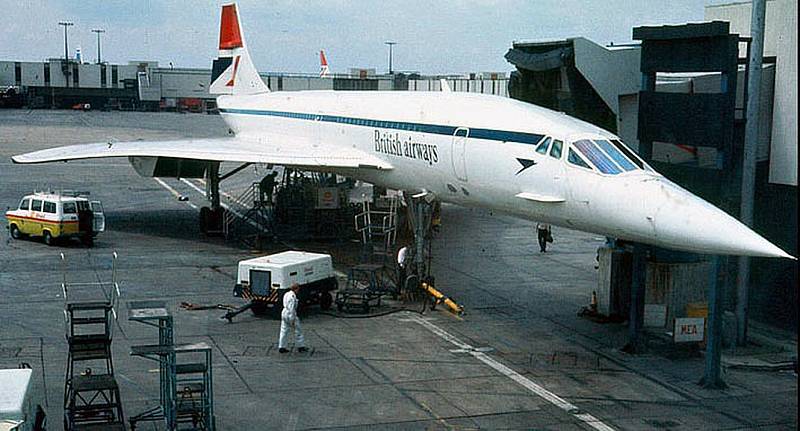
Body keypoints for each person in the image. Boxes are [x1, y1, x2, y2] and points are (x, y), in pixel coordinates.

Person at [278, 283, 307, 353]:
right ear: (295, 289)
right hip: (290, 314)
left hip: (284, 312)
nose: (298, 291)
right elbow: (292, 308)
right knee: (298, 330)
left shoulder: (286, 294)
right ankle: (301, 346)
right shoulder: (292, 296)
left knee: (283, 330)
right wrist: (292, 319)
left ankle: (281, 346)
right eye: (298, 289)